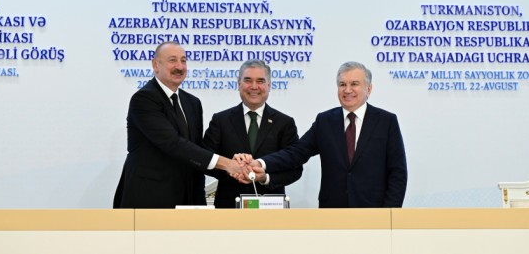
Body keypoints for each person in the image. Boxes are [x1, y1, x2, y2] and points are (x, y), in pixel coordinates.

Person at [239, 61, 407, 208]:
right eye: (342, 84)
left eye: (354, 84)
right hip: (332, 213)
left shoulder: (386, 121)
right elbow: (296, 152)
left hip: (374, 212)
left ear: (368, 89)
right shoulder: (325, 121)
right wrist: (261, 163)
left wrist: (389, 213)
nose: (347, 90)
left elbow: (398, 172)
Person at [113, 41, 242, 208]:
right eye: (172, 60)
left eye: (183, 60)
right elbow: (174, 144)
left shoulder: (192, 103)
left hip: (188, 199)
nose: (179, 67)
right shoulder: (144, 99)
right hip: (149, 198)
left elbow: (195, 150)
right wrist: (227, 164)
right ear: (155, 64)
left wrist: (234, 168)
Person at [203, 60, 302, 208]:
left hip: (270, 208)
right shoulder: (221, 120)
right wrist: (230, 168)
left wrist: (265, 178)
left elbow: (295, 169)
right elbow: (205, 159)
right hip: (229, 207)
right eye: (248, 80)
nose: (254, 87)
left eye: (260, 81)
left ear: (269, 86)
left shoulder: (285, 123)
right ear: (239, 84)